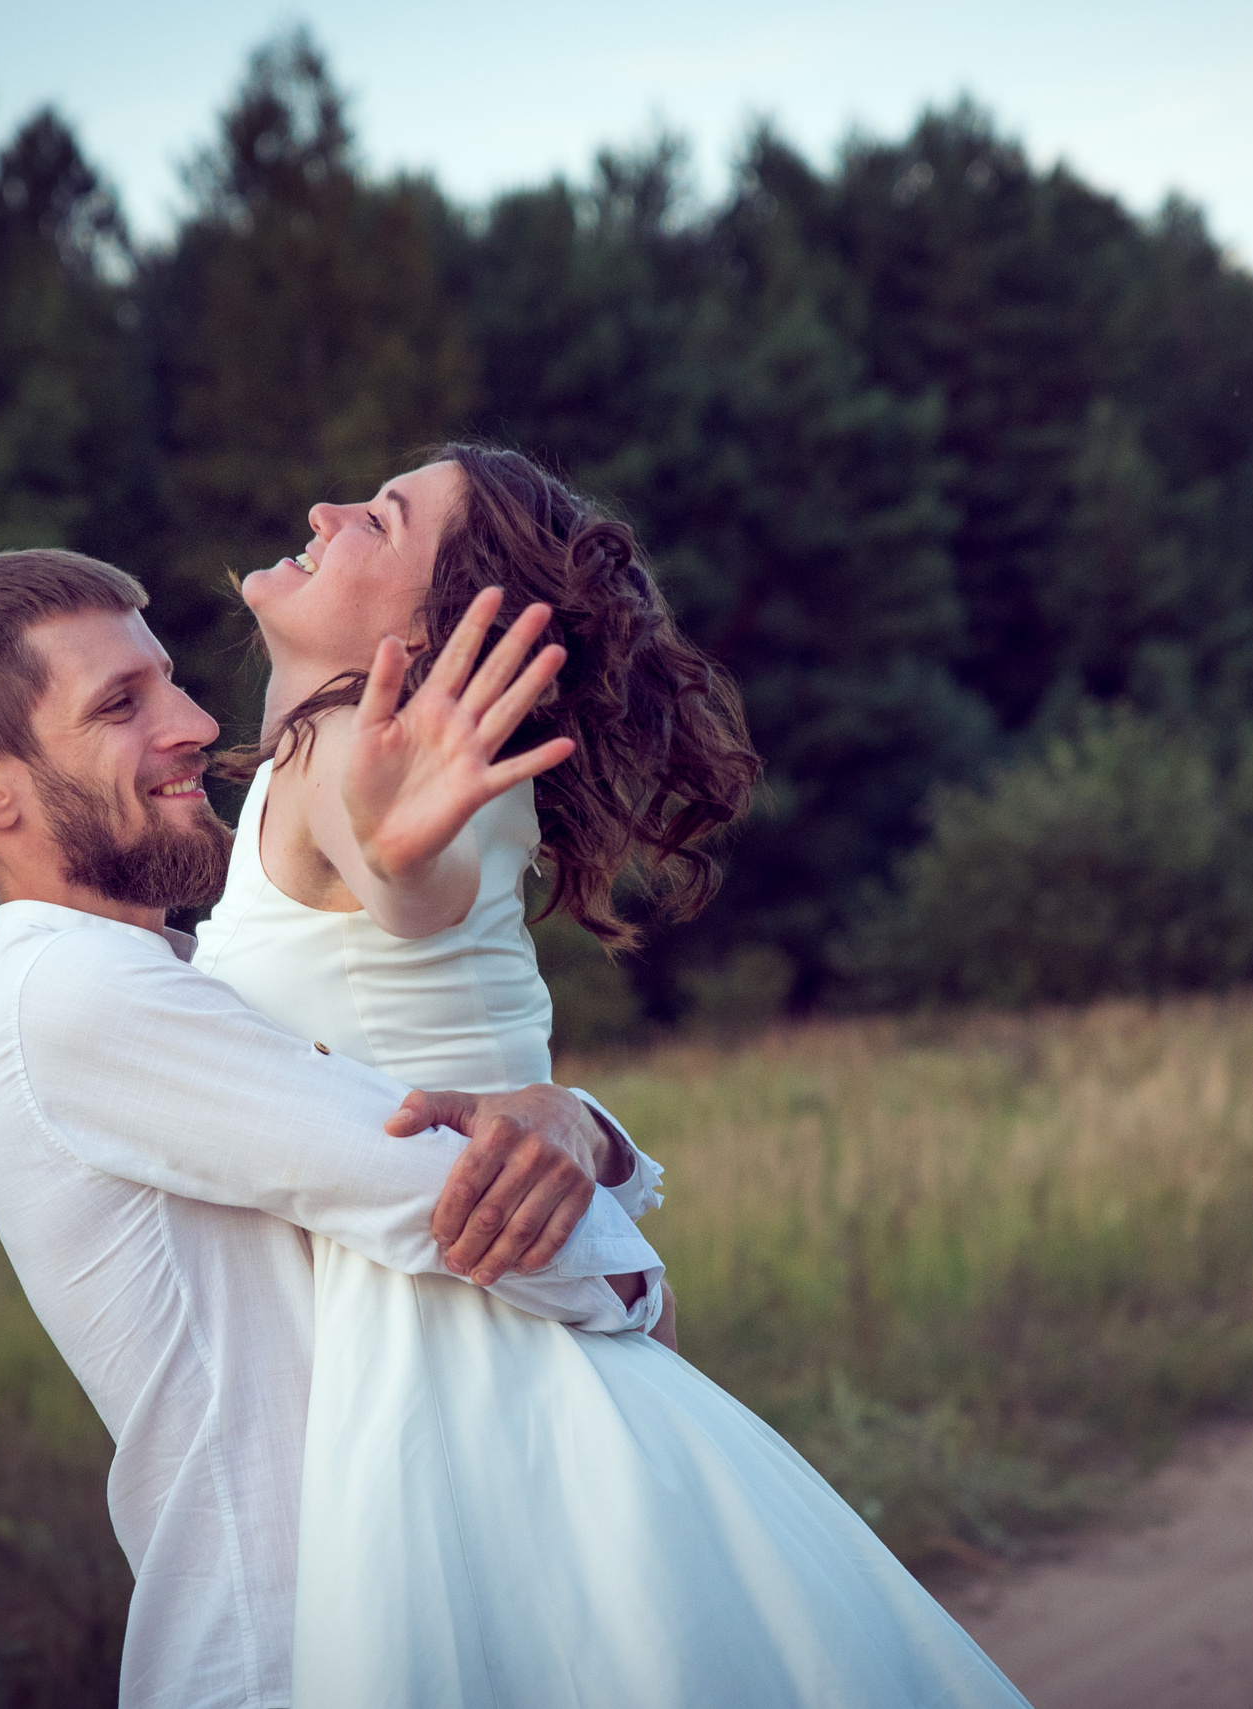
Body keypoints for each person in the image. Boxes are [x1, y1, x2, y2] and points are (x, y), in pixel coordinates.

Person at [197, 443, 1028, 1709]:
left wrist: (392, 848)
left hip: (463, 1371)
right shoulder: (326, 781)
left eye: (376, 517)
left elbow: (407, 891)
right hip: (478, 1326)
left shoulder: (356, 781)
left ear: (437, 637)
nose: (321, 509)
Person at [0, 549, 668, 1709]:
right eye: (119, 704)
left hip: (415, 1599)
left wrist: (570, 1126)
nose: (195, 722)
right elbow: (449, 1205)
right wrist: (635, 1289)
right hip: (284, 1647)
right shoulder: (75, 999)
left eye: (173, 680)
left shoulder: (177, 976)